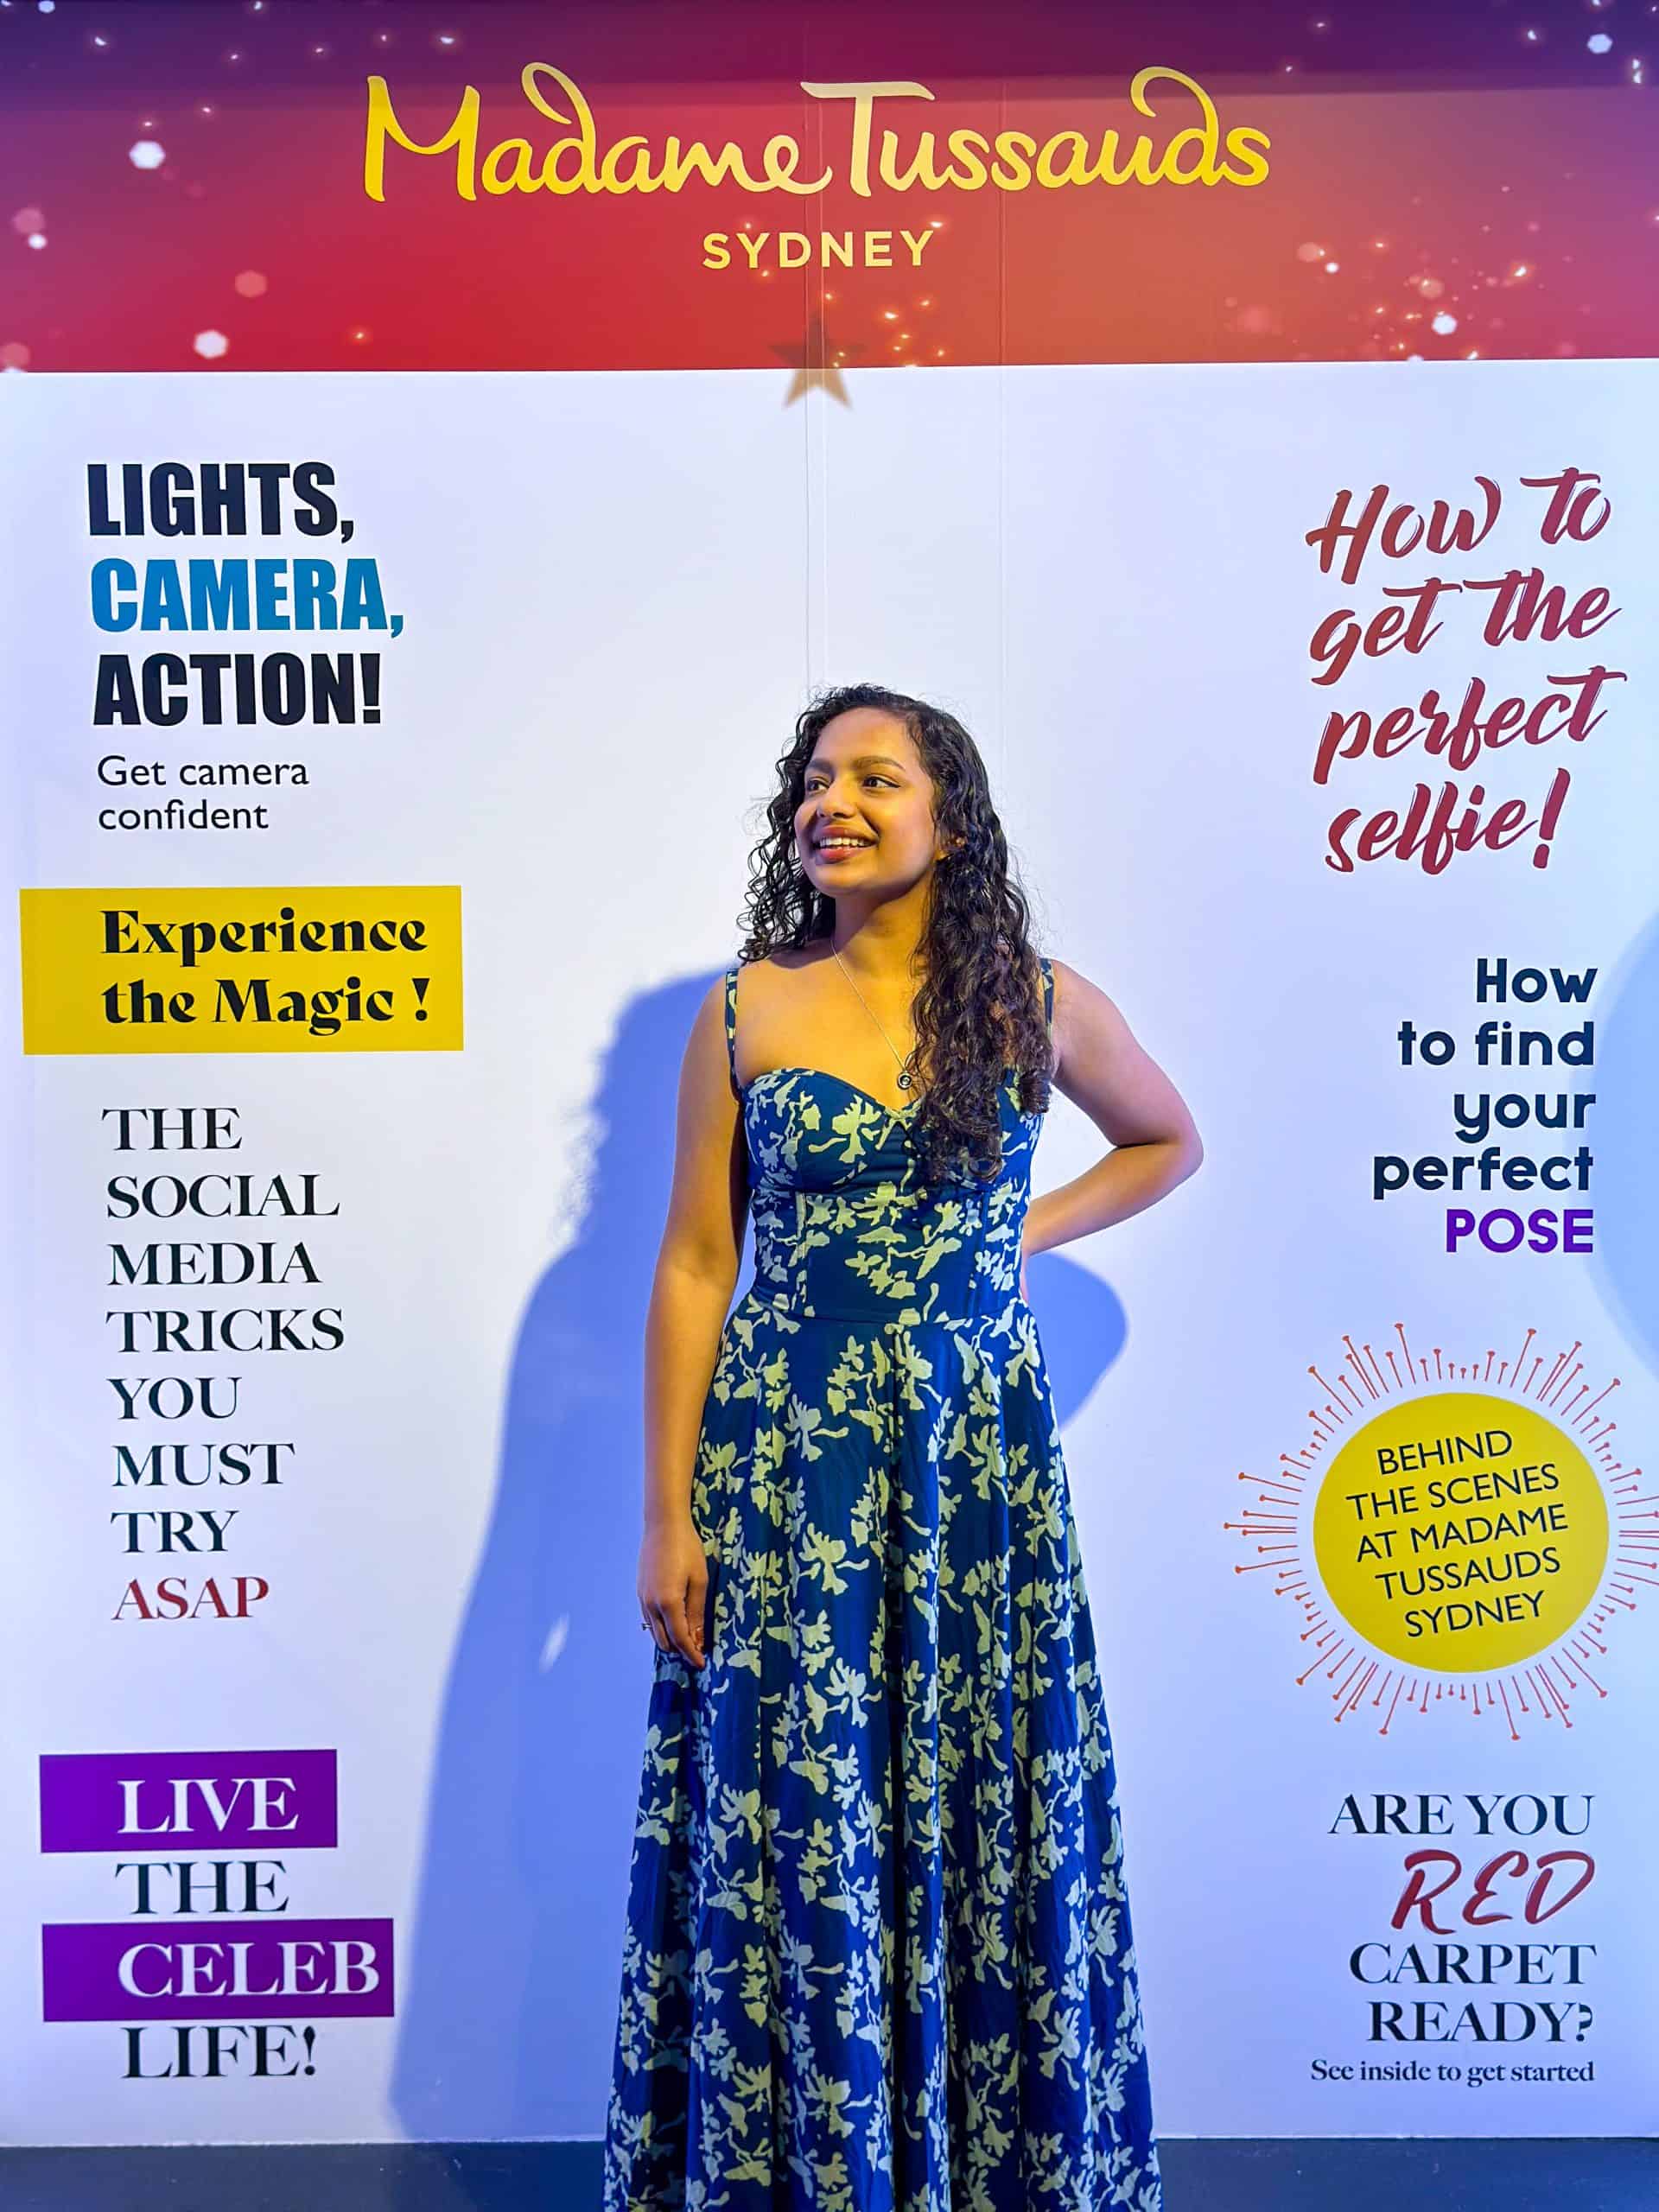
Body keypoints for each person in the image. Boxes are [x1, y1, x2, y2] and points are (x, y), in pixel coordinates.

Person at [602, 682, 1201, 2210]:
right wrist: (667, 1516)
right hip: (785, 1474)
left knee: (980, 1802)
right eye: (813, 778)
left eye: (875, 775)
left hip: (973, 1482)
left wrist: (1017, 1234)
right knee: (799, 1817)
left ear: (951, 816)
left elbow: (1165, 1139)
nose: (833, 800)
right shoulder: (743, 1008)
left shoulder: (1036, 1000)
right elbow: (690, 1267)